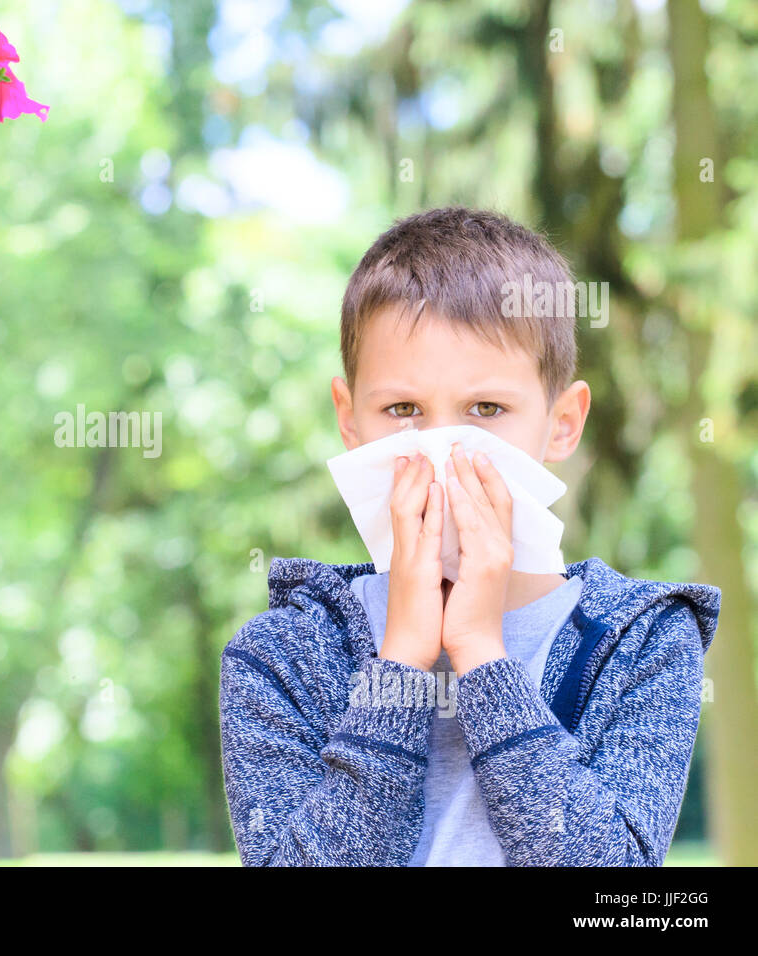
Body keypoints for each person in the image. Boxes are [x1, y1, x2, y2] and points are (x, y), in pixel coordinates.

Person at [218, 207, 721, 866]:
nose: (443, 447)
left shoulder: (645, 643)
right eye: (403, 410)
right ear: (350, 419)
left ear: (562, 423)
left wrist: (483, 654)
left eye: (487, 410)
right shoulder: (280, 655)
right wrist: (401, 661)